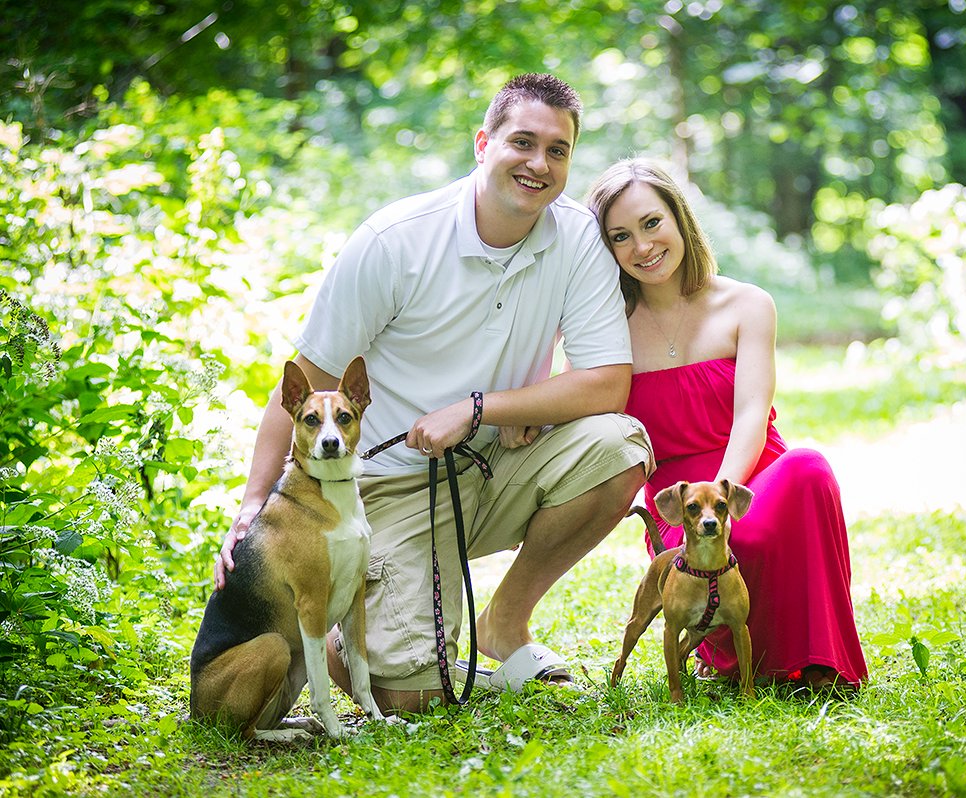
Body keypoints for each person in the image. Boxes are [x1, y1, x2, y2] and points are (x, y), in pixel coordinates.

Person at [214, 74, 653, 715]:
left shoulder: (578, 236)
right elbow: (304, 381)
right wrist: (253, 504)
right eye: (522, 142)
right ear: (483, 143)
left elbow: (609, 384)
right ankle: (347, 627)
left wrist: (483, 408)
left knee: (619, 447)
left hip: (498, 461)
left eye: (557, 151)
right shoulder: (395, 242)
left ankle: (505, 621)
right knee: (408, 699)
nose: (538, 164)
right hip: (394, 484)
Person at [586, 158, 867, 690]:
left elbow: (751, 416)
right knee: (723, 548)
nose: (643, 247)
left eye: (652, 223)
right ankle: (746, 663)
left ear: (679, 218)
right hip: (682, 504)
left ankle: (818, 662)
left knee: (807, 469)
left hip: (750, 478)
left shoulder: (746, 304)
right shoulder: (604, 329)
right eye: (621, 236)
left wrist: (724, 501)